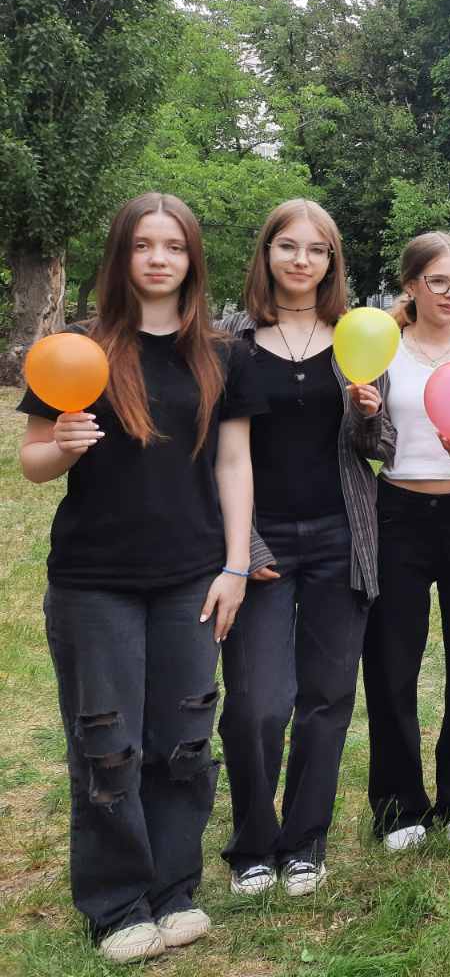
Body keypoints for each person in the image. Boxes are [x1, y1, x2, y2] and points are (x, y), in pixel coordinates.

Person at [18, 193, 263, 964]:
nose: (159, 259)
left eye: (174, 246)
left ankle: (174, 890)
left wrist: (235, 565)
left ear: (193, 259)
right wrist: (61, 445)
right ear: (120, 256)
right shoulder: (76, 350)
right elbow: (32, 463)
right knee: (107, 746)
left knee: (184, 740)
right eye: (143, 245)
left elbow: (233, 463)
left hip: (192, 576)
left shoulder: (222, 354)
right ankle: (117, 904)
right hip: (95, 583)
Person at [216, 199, 395, 898]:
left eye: (317, 250)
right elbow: (214, 456)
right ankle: (252, 843)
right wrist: (245, 545)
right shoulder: (229, 342)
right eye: (288, 246)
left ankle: (304, 844)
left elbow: (381, 448)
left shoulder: (356, 339)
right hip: (258, 543)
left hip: (340, 538)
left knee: (326, 697)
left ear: (331, 262)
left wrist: (368, 415)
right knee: (257, 703)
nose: (302, 260)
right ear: (266, 253)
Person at [363, 231, 450, 851]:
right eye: (438, 281)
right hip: (397, 513)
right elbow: (363, 441)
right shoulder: (382, 352)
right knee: (392, 663)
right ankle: (398, 806)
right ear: (411, 285)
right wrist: (362, 413)